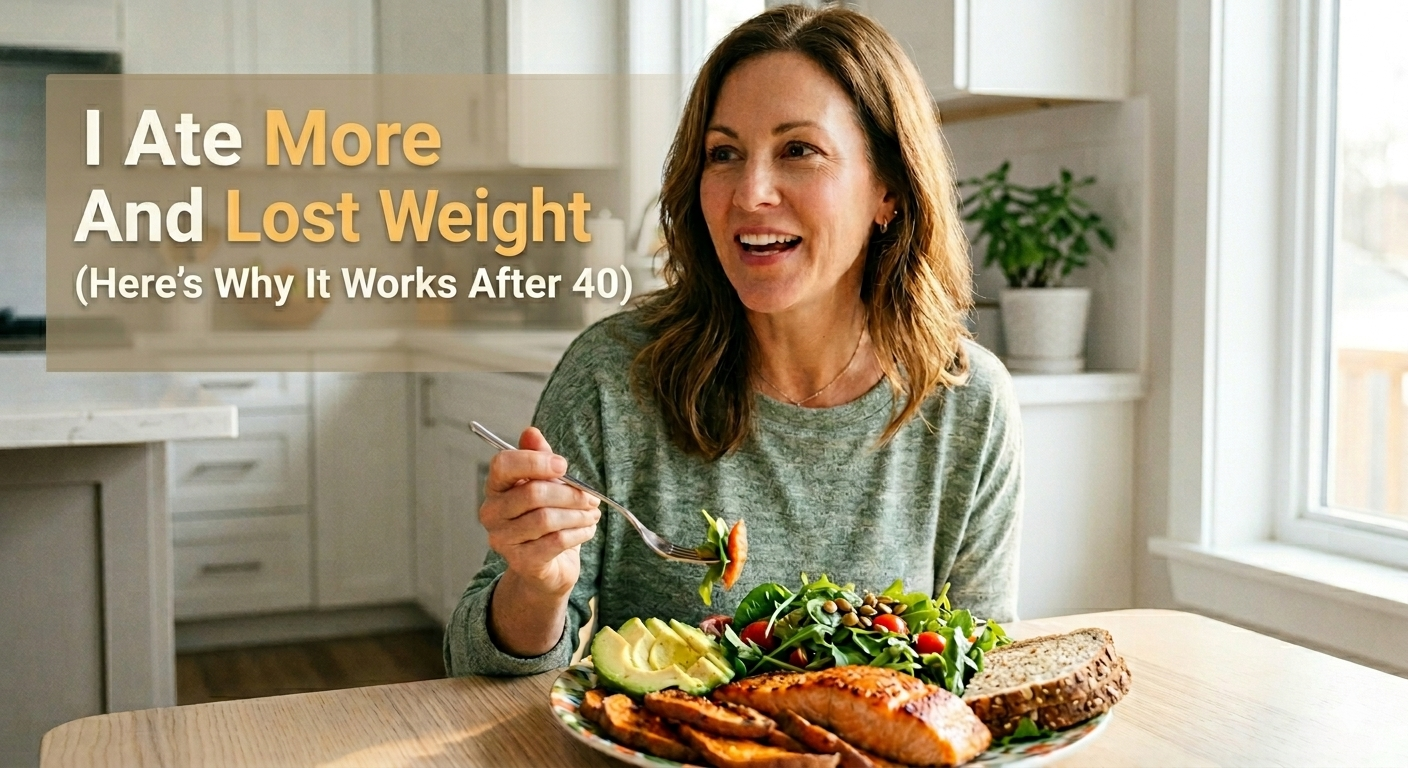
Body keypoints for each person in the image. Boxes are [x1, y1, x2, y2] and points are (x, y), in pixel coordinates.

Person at [445, 4, 1021, 677]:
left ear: (887, 190)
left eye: (798, 150)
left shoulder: (967, 403)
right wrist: (538, 585)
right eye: (724, 154)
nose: (751, 192)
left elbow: (981, 669)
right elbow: (474, 665)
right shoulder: (614, 375)